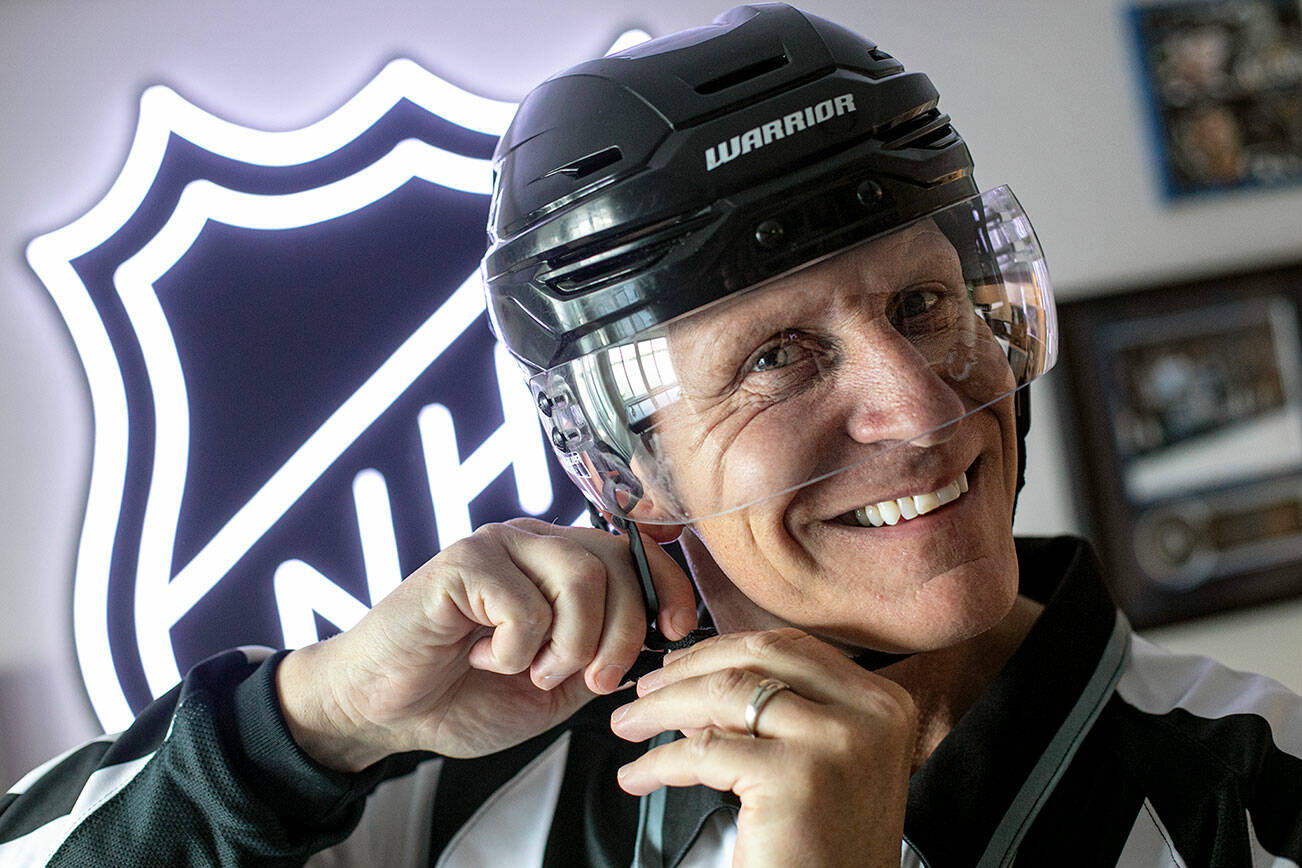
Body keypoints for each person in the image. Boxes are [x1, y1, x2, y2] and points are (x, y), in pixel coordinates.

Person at [2, 4, 1300, 866]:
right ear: (617, 458)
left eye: (922, 304)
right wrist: (314, 724)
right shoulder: (432, 788)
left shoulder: (1261, 790)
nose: (919, 408)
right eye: (776, 357)